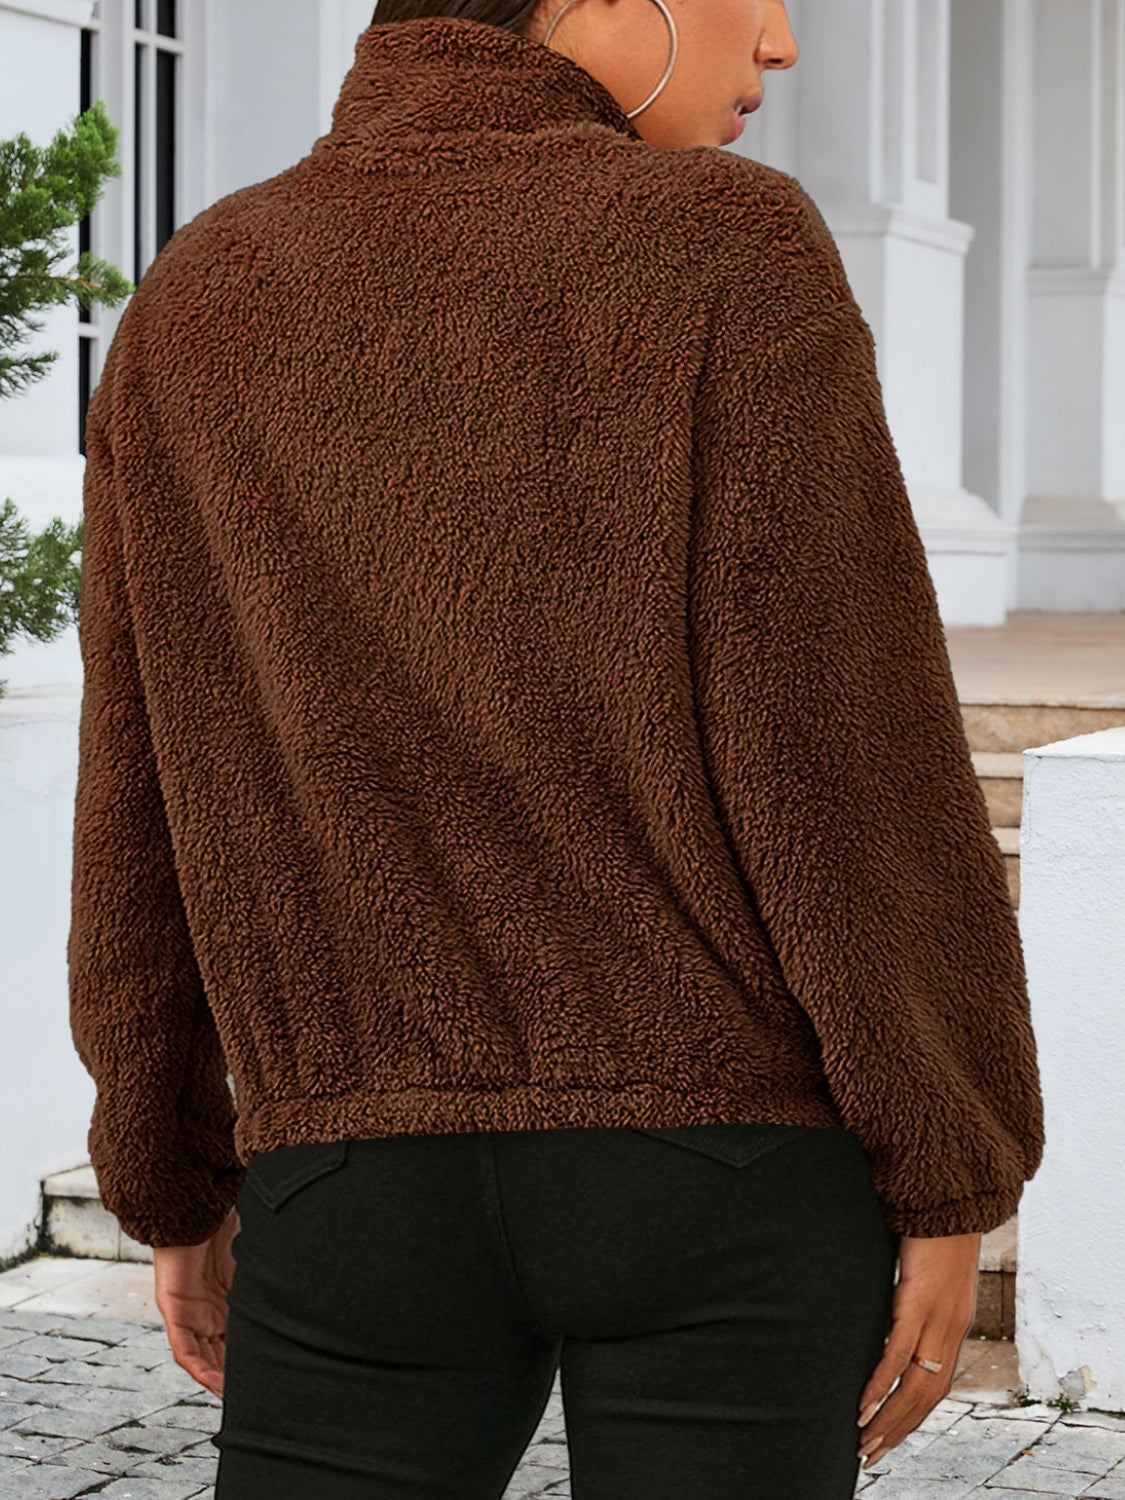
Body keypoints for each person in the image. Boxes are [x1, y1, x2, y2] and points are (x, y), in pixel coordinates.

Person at [66, 0, 1045, 1494]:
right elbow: (845, 753)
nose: (781, 42)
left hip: (350, 1170)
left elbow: (136, 785)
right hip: (722, 1162)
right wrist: (949, 1157)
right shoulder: (725, 246)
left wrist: (164, 1162)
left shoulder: (198, 293)